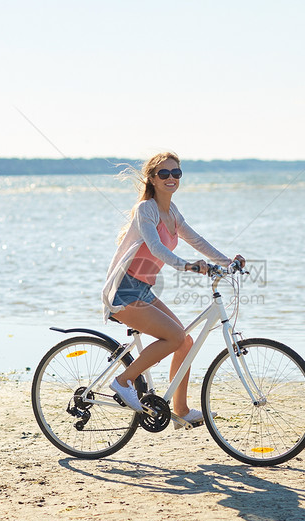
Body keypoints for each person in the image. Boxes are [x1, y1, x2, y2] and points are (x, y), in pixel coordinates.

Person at [102, 151, 244, 427]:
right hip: (124, 291)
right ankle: (123, 381)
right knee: (175, 337)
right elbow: (155, 247)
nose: (171, 178)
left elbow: (198, 240)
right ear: (152, 179)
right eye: (164, 173)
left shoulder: (172, 212)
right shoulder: (147, 209)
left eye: (176, 173)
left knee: (185, 341)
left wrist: (228, 262)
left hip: (143, 289)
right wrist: (188, 266)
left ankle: (179, 409)